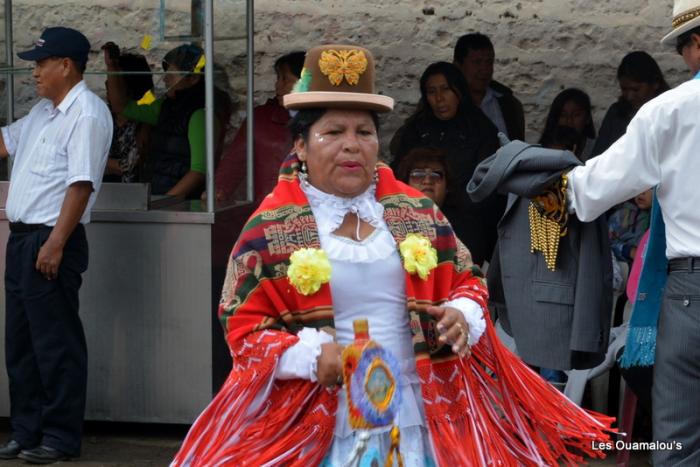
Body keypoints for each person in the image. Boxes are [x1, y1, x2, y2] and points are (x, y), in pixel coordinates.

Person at [171, 44, 612, 466]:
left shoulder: (416, 212)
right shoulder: (269, 229)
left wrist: (462, 313)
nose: (351, 144)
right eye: (333, 132)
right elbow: (243, 328)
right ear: (301, 147)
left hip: (418, 413)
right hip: (317, 423)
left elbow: (467, 280)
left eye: (364, 132)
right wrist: (305, 356)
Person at [559, 2, 700, 463]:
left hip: (690, 293)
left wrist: (536, 173)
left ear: (694, 46)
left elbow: (587, 192)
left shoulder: (669, 111)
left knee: (678, 445)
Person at [0, 27, 112, 463]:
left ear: (66, 66)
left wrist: (56, 243)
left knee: (56, 344)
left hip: (52, 239)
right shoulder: (42, 113)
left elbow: (80, 185)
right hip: (23, 238)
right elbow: (5, 144)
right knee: (22, 342)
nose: (35, 73)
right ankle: (26, 432)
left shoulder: (86, 114)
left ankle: (60, 437)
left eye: (41, 64)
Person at [390, 62, 502, 265]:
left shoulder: (480, 129)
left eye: (445, 90)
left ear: (458, 90)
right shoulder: (416, 129)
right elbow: (399, 175)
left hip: (467, 223)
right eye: (431, 92)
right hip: (417, 222)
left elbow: (489, 183)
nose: (439, 99)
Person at [105, 43, 227, 198]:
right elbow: (121, 106)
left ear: (193, 78)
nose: (165, 78)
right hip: (159, 198)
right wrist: (112, 66)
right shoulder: (166, 107)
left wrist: (163, 204)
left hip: (181, 206)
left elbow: (198, 172)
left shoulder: (199, 115)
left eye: (172, 73)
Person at [210, 51, 304, 204]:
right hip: (271, 210)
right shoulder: (261, 119)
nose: (277, 85)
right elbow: (235, 161)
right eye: (278, 78)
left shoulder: (325, 119)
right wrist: (218, 190)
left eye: (285, 79)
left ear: (305, 82)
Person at [394, 146, 474, 260]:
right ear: (405, 183)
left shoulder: (467, 226)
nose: (427, 181)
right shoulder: (391, 222)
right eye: (418, 175)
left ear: (447, 186)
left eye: (436, 175)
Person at [592, 51, 670, 156]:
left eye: (635, 89)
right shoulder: (616, 114)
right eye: (624, 89)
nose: (629, 96)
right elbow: (598, 156)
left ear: (655, 83)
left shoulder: (669, 113)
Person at [453, 32, 525, 140]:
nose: (485, 69)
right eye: (477, 62)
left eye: (489, 62)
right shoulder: (440, 103)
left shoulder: (510, 104)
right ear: (458, 66)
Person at [102, 45, 153, 183]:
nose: (108, 85)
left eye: (115, 80)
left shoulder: (145, 122)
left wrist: (96, 161)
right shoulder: (103, 116)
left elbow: (129, 165)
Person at [539, 88, 596, 161]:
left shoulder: (598, 150)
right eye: (563, 115)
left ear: (587, 118)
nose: (569, 121)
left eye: (576, 115)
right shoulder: (545, 149)